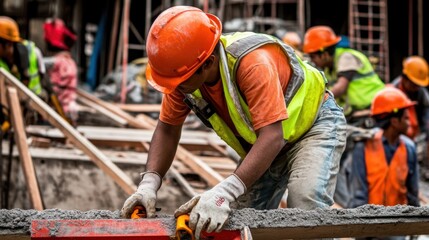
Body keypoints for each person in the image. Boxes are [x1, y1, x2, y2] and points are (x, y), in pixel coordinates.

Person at [121, 6, 347, 239]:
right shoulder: (186, 74)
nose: (174, 89)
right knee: (239, 220)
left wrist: (225, 191)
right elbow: (167, 129)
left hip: (312, 126)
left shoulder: (251, 64)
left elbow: (272, 136)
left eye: (179, 82)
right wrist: (148, 184)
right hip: (266, 141)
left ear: (207, 63)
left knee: (305, 204)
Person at [348, 87, 420, 211]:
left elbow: (412, 194)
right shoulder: (363, 146)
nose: (410, 123)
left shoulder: (409, 148)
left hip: (399, 223)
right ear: (394, 121)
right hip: (369, 222)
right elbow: (358, 195)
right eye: (406, 118)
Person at [302, 25, 385, 119]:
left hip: (376, 107)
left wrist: (316, 101)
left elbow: (340, 88)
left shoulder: (346, 57)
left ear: (324, 54)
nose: (313, 61)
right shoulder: (328, 68)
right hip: (358, 112)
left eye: (313, 57)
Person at [392, 56, 429, 179]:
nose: (417, 88)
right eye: (414, 85)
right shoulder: (393, 92)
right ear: (405, 78)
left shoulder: (421, 94)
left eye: (418, 85)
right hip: (398, 133)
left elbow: (425, 121)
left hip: (414, 134)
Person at [43, 18, 78, 125]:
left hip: (59, 109)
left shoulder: (56, 62)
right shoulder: (70, 62)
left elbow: (38, 62)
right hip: (69, 107)